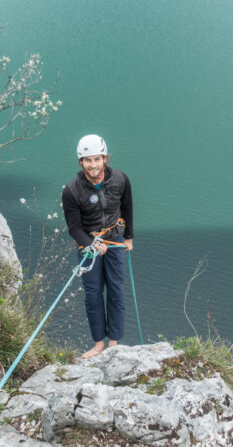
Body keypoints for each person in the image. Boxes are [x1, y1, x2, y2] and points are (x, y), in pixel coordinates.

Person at [62, 134, 134, 359]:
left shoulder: (120, 180)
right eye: (87, 160)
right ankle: (98, 344)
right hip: (88, 244)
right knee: (93, 294)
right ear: (81, 162)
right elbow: (74, 228)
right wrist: (91, 244)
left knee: (116, 290)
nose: (93, 165)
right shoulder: (72, 190)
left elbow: (128, 208)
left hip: (114, 240)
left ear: (104, 159)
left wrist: (129, 237)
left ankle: (113, 342)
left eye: (97, 159)